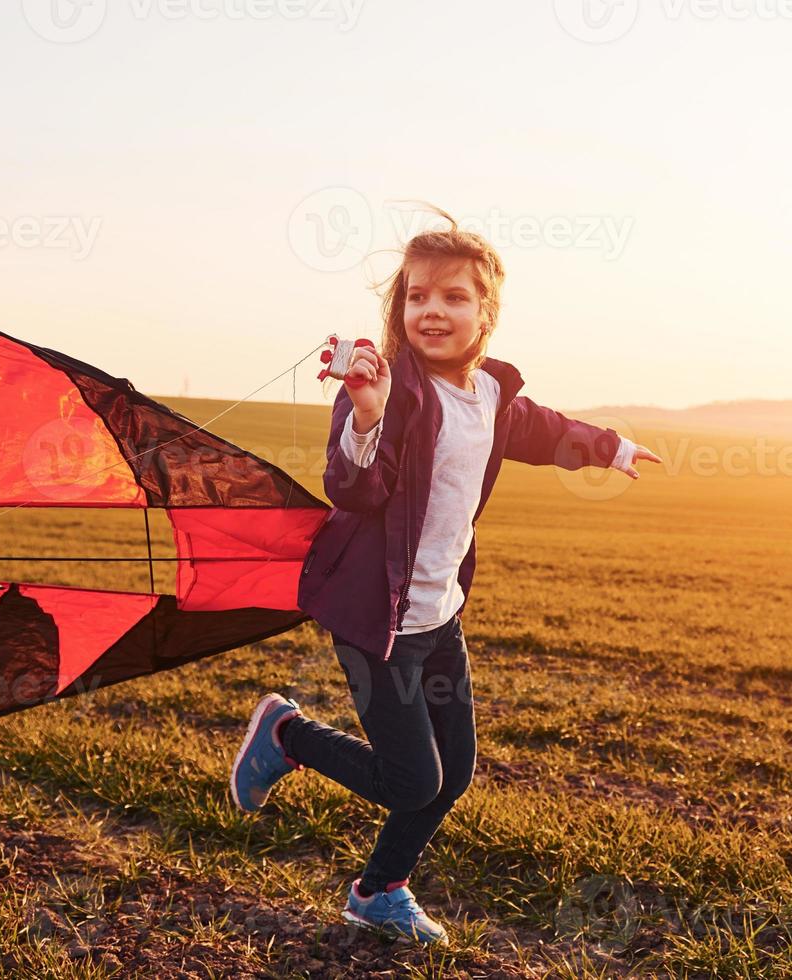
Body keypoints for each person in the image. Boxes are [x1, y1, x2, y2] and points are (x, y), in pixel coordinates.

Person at [229, 207, 660, 943]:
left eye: (454, 297)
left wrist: (613, 448)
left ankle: (377, 892)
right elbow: (353, 489)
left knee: (452, 772)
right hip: (376, 621)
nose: (433, 310)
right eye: (417, 295)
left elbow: (547, 430)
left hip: (438, 618)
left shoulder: (492, 393)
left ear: (485, 312)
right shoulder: (390, 391)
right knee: (412, 781)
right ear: (399, 308)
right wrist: (365, 414)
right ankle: (287, 733)